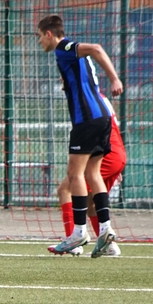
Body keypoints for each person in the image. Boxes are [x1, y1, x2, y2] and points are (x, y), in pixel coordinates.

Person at [37, 14, 123, 258]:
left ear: (49, 34)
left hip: (86, 119)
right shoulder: (72, 57)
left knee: (74, 174)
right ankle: (105, 230)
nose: (40, 41)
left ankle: (78, 232)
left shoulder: (64, 48)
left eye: (40, 36)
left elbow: (96, 48)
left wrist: (114, 79)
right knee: (92, 174)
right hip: (103, 117)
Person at [50, 91, 125, 257]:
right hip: (114, 152)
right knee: (90, 203)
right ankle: (108, 246)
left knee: (65, 190)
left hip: (106, 153)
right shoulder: (99, 98)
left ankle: (74, 242)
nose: (62, 80)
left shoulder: (86, 98)